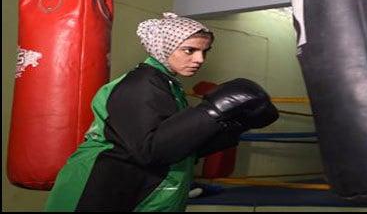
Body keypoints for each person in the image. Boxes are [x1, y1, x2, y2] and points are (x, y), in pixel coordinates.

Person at [44, 12, 280, 212]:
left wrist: (236, 125)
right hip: (102, 190)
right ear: (164, 47)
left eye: (204, 51)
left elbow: (183, 147)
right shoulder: (139, 85)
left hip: (140, 190)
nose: (200, 59)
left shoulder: (168, 86)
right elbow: (152, 150)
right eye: (190, 50)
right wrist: (212, 111)